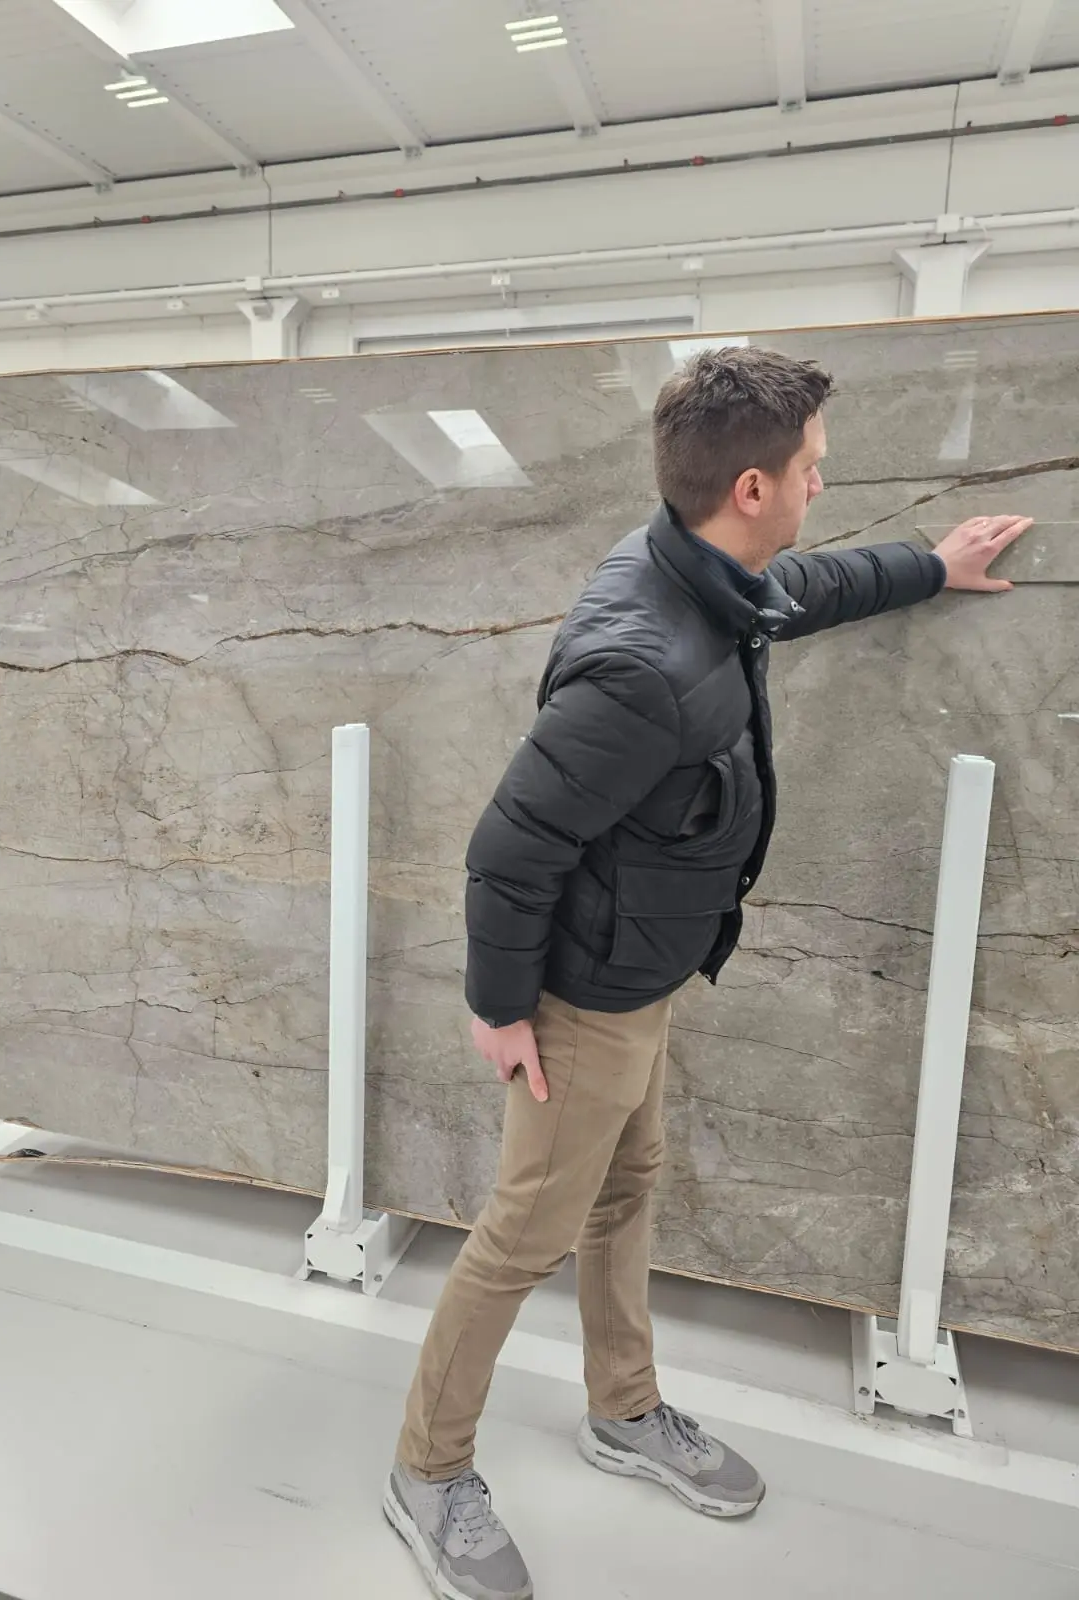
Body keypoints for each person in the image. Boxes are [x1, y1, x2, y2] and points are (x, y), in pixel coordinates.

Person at [382, 345, 1031, 1600]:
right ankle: (428, 1467)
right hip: (581, 999)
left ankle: (623, 1411)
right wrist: (502, 1006)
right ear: (750, 487)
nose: (819, 491)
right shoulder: (645, 665)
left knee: (631, 1190)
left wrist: (930, 569)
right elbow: (508, 848)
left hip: (645, 969)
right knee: (525, 1230)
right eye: (815, 473)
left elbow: (808, 586)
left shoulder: (707, 574)